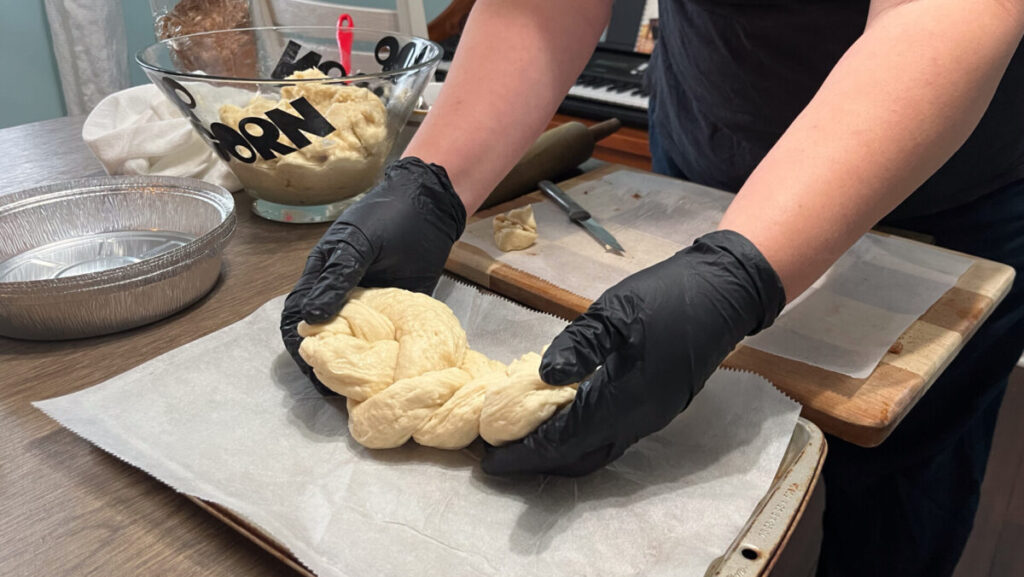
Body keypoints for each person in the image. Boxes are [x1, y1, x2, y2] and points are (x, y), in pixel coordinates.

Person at [281, 1, 1024, 575]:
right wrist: (434, 179)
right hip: (706, 144)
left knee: (902, 478)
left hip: (942, 174)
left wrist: (739, 269)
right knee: (700, 461)